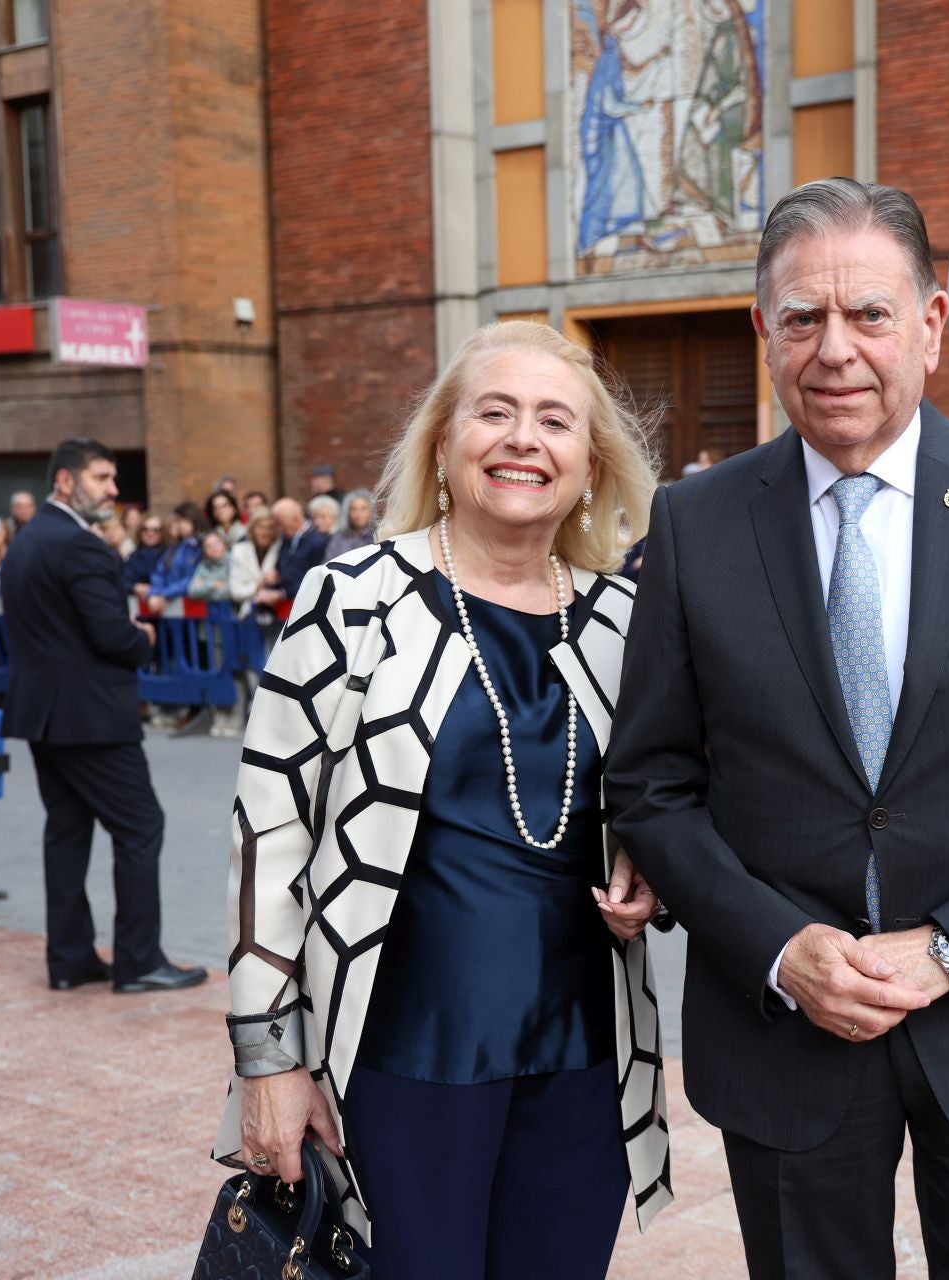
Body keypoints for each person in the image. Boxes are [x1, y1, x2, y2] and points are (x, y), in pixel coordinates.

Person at [606, 178, 949, 1279]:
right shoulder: (694, 523)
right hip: (785, 1031)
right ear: (763, 330)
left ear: (930, 323)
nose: (836, 350)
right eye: (803, 318)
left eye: (869, 312)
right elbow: (654, 784)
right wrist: (779, 948)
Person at [218, 321, 670, 1276]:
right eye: (493, 412)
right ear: (441, 442)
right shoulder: (351, 598)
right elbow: (269, 834)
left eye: (556, 421)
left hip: (585, 1054)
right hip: (400, 1057)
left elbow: (665, 793)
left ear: (590, 465)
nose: (523, 439)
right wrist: (269, 1059)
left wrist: (653, 868)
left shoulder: (626, 623)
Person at [0, 437, 208, 993]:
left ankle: (69, 960)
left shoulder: (26, 540)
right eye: (102, 478)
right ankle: (139, 962)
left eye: (113, 479)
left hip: (45, 715)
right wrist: (141, 638)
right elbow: (110, 633)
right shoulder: (79, 546)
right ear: (66, 480)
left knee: (67, 833)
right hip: (89, 716)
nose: (113, 490)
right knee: (141, 826)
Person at [266, 497, 329, 602]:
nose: (278, 528)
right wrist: (275, 574)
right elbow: (282, 566)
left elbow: (314, 577)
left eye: (280, 523)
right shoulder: (286, 538)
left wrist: (282, 593)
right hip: (282, 596)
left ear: (295, 518)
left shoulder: (317, 540)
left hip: (303, 599)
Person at [144, 510, 202, 610]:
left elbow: (191, 577)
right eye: (172, 526)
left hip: (187, 602)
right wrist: (153, 594)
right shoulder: (170, 548)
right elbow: (159, 573)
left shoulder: (194, 547)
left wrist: (164, 594)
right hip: (166, 602)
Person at [325, 491, 376, 558]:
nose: (358, 514)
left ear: (371, 511)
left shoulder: (377, 535)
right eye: (353, 509)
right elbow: (329, 560)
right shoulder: (339, 538)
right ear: (347, 512)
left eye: (363, 509)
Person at [123, 516, 165, 596]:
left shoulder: (170, 554)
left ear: (162, 533)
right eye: (145, 529)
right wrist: (134, 587)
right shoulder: (134, 557)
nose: (150, 533)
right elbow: (124, 580)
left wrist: (154, 589)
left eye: (156, 530)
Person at [186, 530, 233, 600]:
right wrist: (213, 584)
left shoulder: (233, 561)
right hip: (210, 606)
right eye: (208, 546)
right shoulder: (203, 565)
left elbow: (231, 591)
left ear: (224, 544)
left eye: (216, 543)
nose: (213, 548)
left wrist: (203, 585)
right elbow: (191, 591)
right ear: (204, 551)